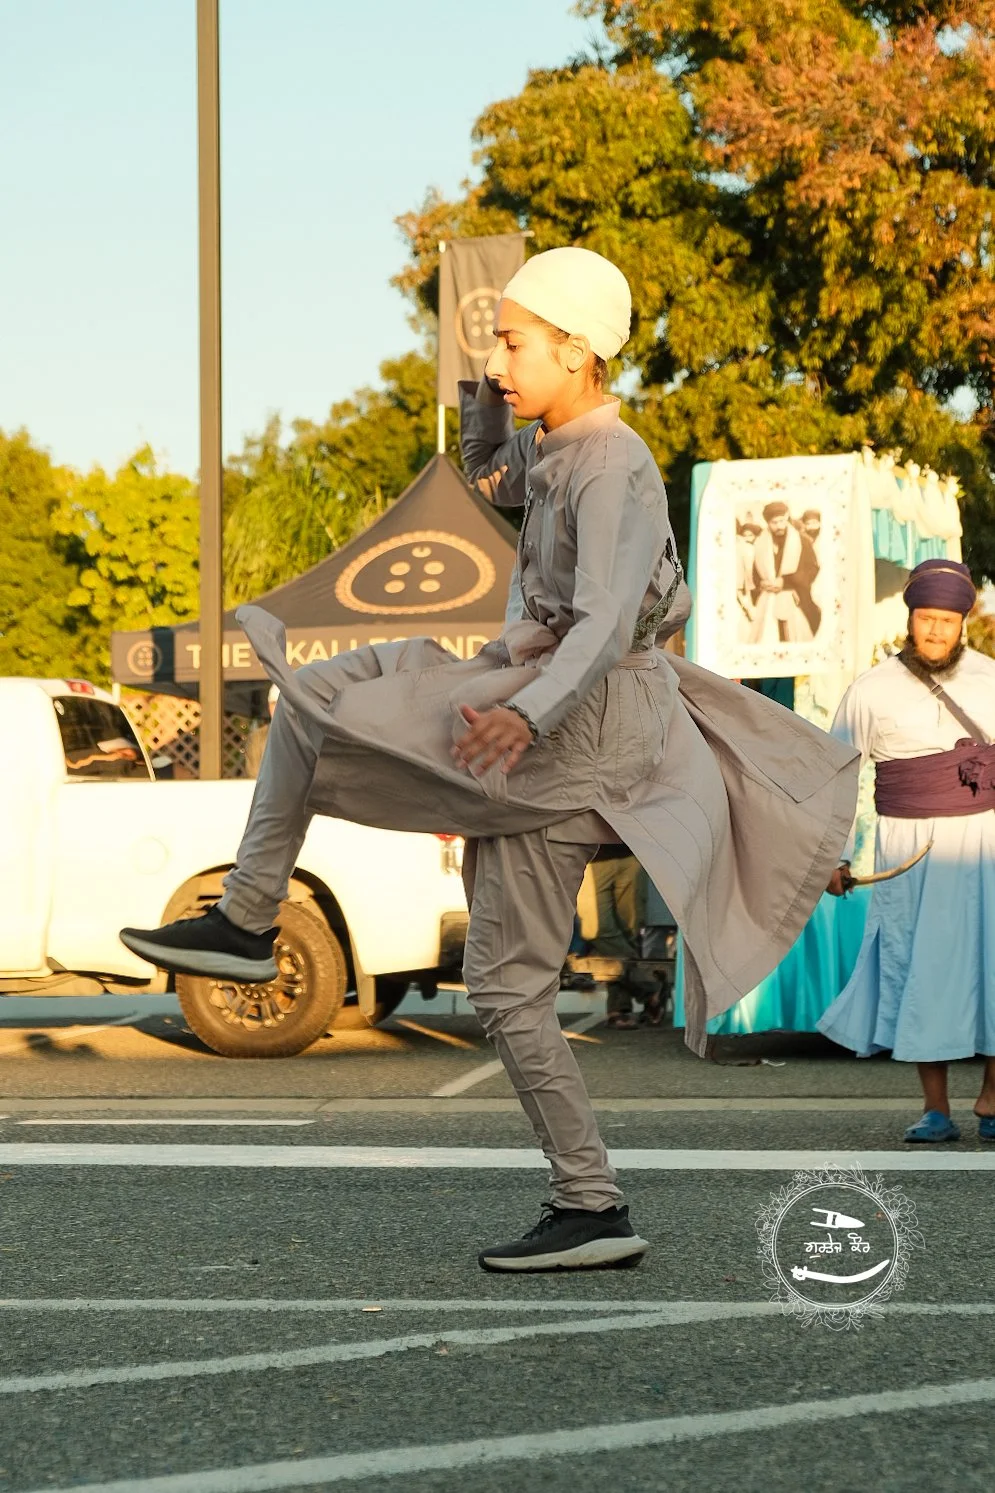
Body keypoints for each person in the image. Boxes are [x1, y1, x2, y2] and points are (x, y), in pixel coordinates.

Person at [119, 246, 857, 1271]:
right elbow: (494, 475)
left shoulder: (613, 464)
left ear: (578, 347)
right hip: (542, 700)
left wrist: (529, 718)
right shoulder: (561, 452)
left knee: (499, 975)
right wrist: (484, 393)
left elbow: (601, 620)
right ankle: (253, 920)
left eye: (513, 342)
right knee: (324, 710)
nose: (498, 357)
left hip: (572, 723)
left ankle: (587, 1201)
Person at [819, 558, 995, 1143]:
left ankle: (993, 1097)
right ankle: (936, 1108)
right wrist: (833, 855)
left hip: (986, 844)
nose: (937, 631)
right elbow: (838, 775)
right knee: (918, 968)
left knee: (991, 966)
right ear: (911, 619)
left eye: (947, 621)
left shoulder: (992, 680)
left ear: (961, 622)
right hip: (907, 849)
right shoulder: (871, 690)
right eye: (927, 619)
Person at [590, 846, 663, 1029]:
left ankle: (619, 1008)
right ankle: (651, 990)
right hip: (589, 853)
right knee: (595, 928)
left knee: (629, 932)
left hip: (631, 850)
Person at [749, 500, 821, 643]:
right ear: (768, 523)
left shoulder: (802, 541)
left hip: (796, 600)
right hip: (768, 601)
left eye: (782, 521)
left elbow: (811, 570)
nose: (779, 526)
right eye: (774, 523)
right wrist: (762, 583)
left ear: (787, 517)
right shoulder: (760, 542)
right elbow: (754, 572)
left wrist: (786, 582)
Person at [245, 684, 279, 778]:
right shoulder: (257, 737)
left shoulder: (306, 736)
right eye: (274, 703)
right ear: (269, 706)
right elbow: (254, 772)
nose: (278, 708)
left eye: (283, 703)